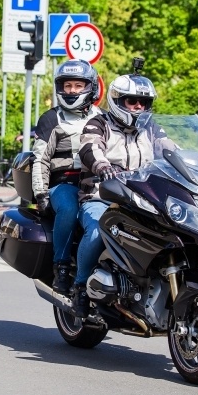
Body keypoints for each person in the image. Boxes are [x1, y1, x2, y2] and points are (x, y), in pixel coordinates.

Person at [72, 72, 177, 317]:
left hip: (143, 199)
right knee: (97, 230)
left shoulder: (152, 129)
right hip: (101, 196)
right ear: (118, 101)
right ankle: (80, 287)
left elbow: (171, 149)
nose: (138, 106)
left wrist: (191, 165)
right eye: (132, 101)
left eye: (144, 102)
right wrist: (102, 166)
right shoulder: (99, 123)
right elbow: (90, 147)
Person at [31, 59, 102, 294]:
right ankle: (61, 266)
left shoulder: (103, 117)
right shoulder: (51, 118)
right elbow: (40, 159)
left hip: (96, 183)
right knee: (70, 208)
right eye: (67, 85)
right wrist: (41, 193)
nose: (72, 91)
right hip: (63, 184)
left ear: (90, 87)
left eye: (78, 85)